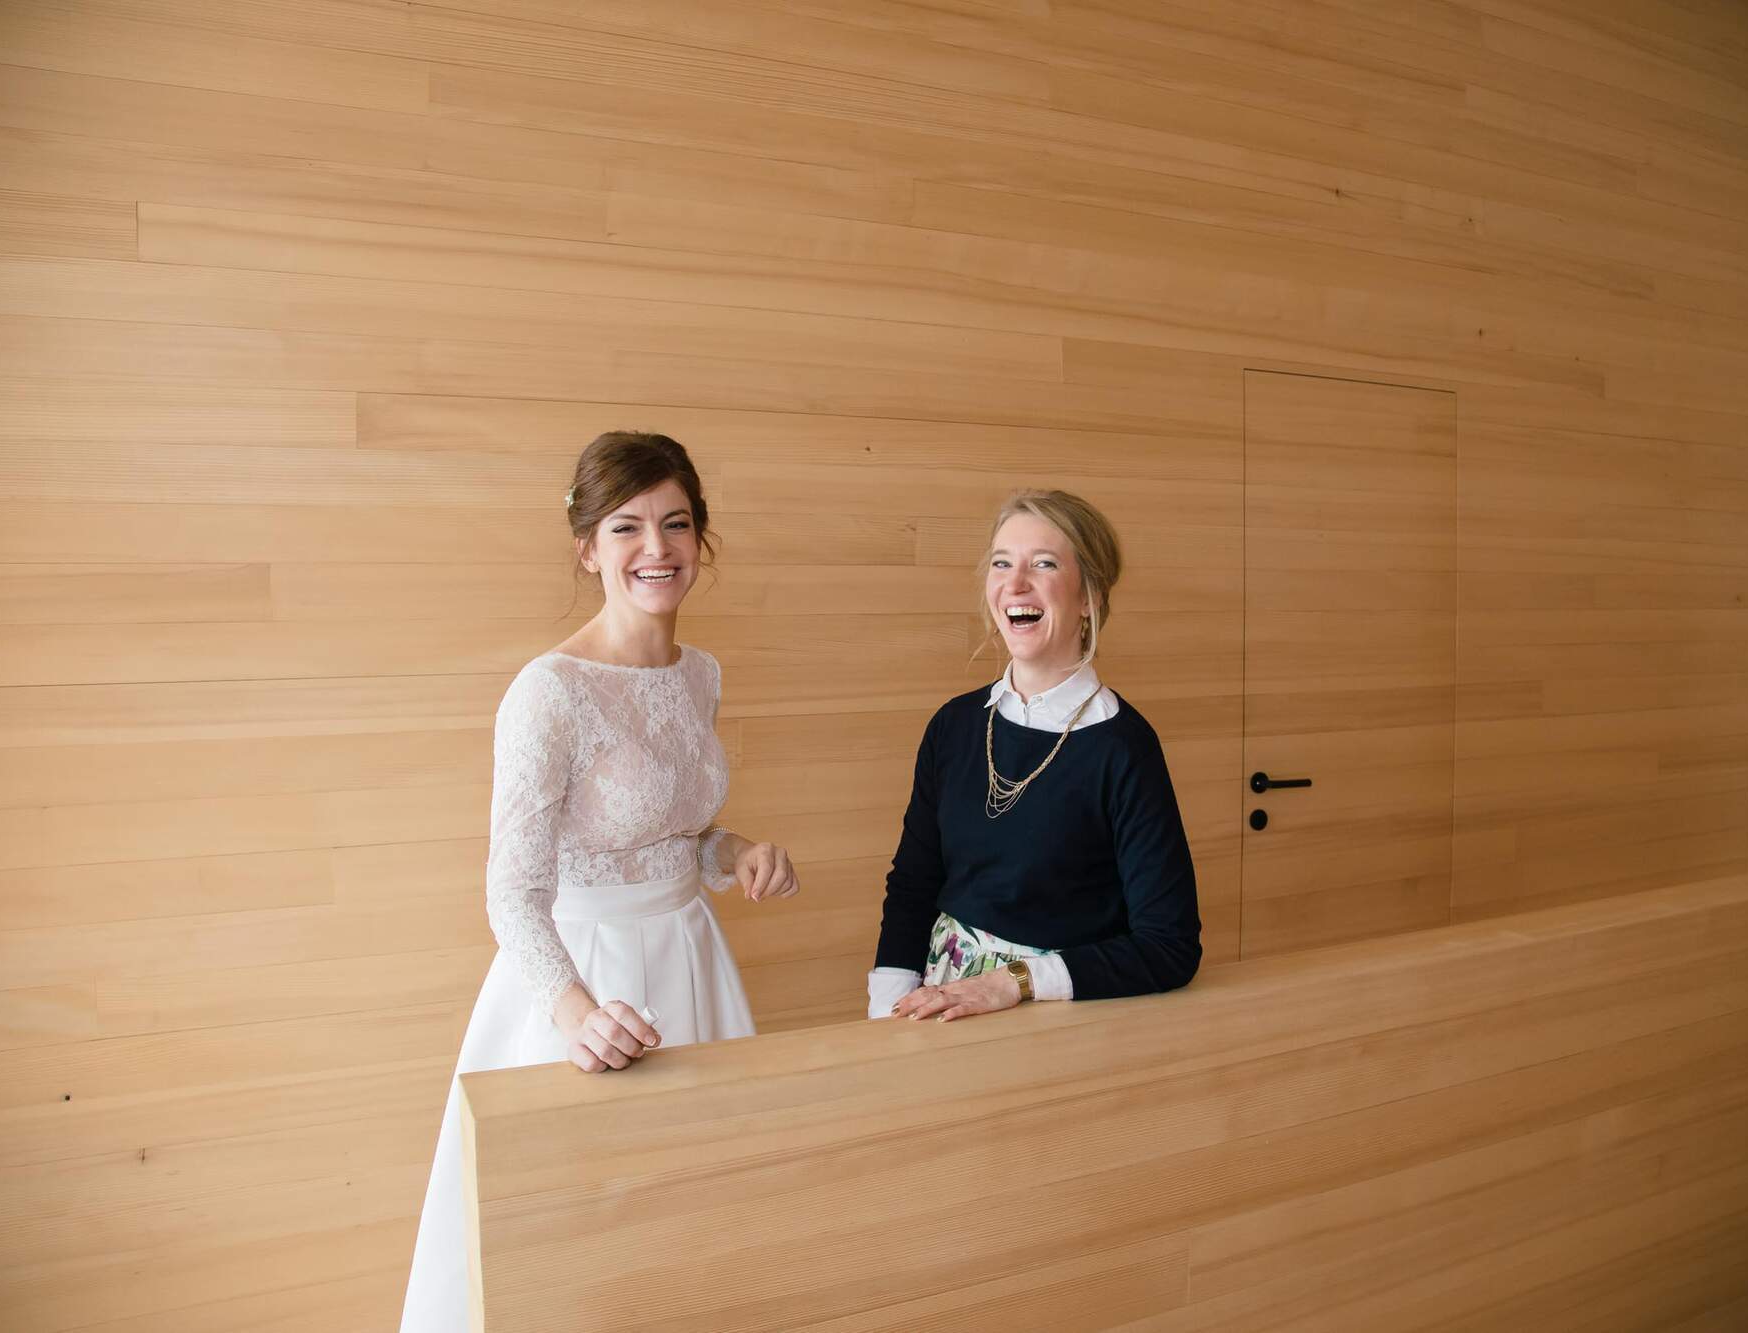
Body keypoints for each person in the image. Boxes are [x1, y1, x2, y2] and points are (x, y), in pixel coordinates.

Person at [401, 431, 798, 1331]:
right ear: (588, 548)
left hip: (692, 959)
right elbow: (512, 892)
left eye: (676, 523)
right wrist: (579, 1016)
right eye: (627, 527)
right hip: (584, 985)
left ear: (700, 537)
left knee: (696, 1228)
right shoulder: (547, 692)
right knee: (579, 1252)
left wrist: (736, 853)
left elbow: (673, 835)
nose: (656, 547)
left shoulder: (701, 675)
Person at [869, 489, 1200, 1022]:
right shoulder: (953, 725)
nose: (1015, 583)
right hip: (938, 1005)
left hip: (1062, 1017)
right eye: (1002, 563)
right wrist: (886, 1009)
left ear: (1089, 596)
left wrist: (1015, 982)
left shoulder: (1124, 746)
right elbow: (912, 884)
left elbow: (1170, 946)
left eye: (1043, 564)